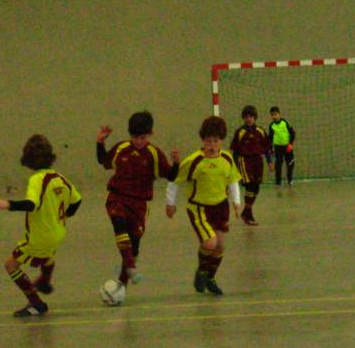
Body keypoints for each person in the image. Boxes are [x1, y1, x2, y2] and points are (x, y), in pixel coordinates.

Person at [0, 134, 82, 318]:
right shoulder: (59, 177)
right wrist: (61, 216)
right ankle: (45, 281)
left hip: (40, 236)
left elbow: (32, 204)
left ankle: (36, 303)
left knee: (11, 265)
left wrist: (6, 204)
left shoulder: (36, 180)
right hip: (58, 232)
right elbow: (77, 201)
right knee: (47, 254)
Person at [96, 111, 179, 294]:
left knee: (134, 242)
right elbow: (103, 161)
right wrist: (100, 142)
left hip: (139, 204)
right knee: (119, 223)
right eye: (135, 137)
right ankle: (131, 267)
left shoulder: (154, 154)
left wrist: (176, 163)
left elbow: (171, 176)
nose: (139, 141)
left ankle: (122, 284)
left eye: (142, 137)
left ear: (150, 135)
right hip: (117, 197)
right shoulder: (121, 148)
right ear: (129, 135)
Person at [166, 116, 244, 296]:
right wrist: (170, 204)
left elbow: (232, 181)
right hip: (199, 208)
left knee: (220, 246)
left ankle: (210, 277)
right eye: (208, 141)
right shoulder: (194, 161)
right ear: (202, 140)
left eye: (215, 141)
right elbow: (175, 181)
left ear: (221, 141)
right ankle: (201, 271)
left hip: (221, 206)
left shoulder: (227, 158)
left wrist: (236, 202)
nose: (212, 144)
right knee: (210, 243)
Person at [229, 105, 270, 226]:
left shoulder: (261, 131)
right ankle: (248, 213)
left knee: (256, 187)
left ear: (255, 117)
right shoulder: (240, 132)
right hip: (244, 161)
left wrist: (270, 162)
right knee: (250, 185)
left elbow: (267, 148)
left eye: (251, 117)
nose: (249, 119)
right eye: (246, 117)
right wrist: (235, 167)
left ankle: (246, 212)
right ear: (243, 118)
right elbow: (235, 151)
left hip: (258, 161)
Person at [268, 105, 296, 186]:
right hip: (278, 148)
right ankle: (278, 182)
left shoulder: (285, 122)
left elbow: (292, 133)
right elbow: (270, 138)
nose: (274, 116)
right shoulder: (271, 126)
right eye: (272, 115)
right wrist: (270, 148)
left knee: (290, 163)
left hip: (287, 147)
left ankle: (290, 179)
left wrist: (290, 144)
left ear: (279, 114)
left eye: (275, 114)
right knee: (278, 165)